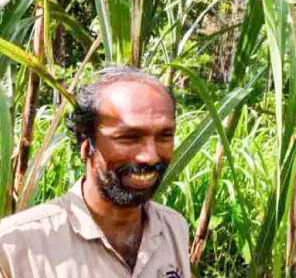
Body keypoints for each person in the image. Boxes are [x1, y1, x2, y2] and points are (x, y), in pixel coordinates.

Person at [0, 66, 190, 278]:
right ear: (85, 143)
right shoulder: (14, 246)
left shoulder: (174, 228)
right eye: (129, 137)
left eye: (165, 136)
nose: (151, 156)